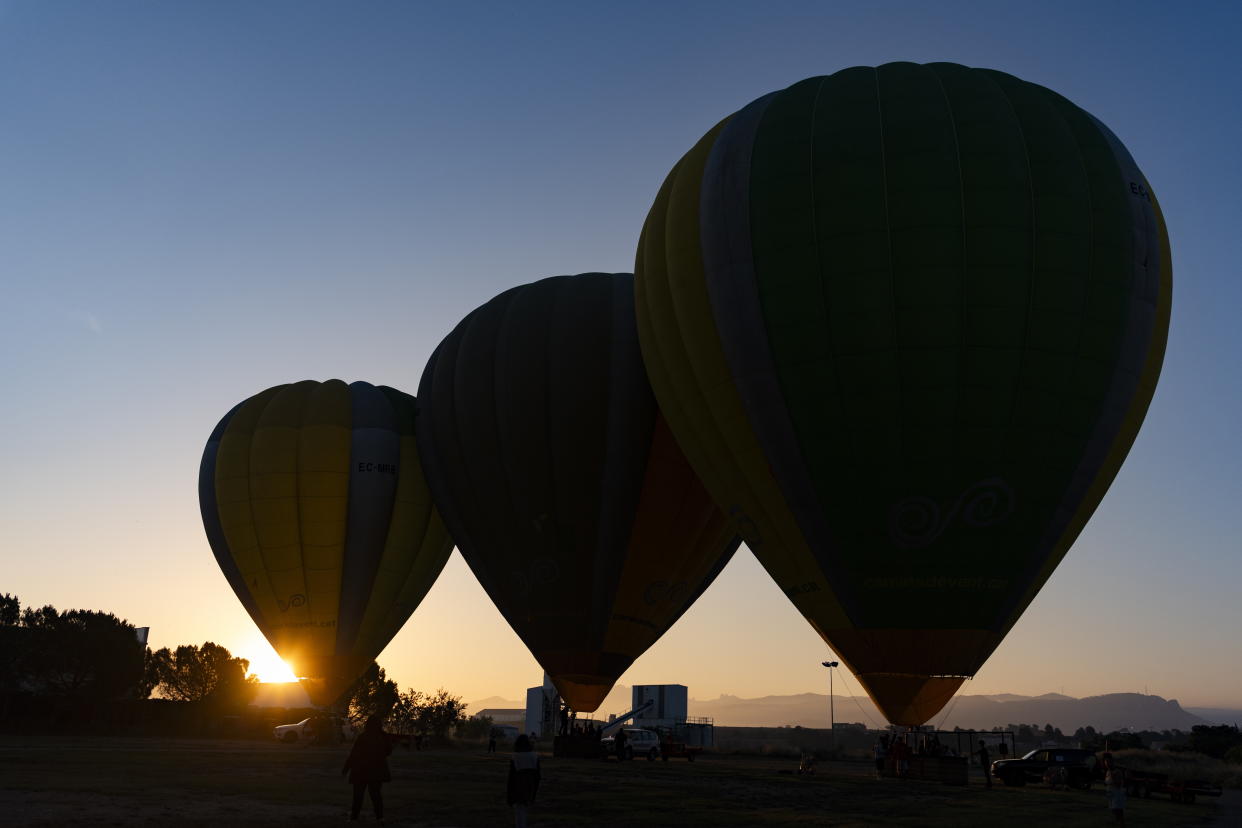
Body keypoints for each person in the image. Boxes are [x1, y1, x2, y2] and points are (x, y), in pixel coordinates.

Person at [342, 715, 393, 823]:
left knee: (358, 796)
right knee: (376, 795)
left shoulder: (363, 737)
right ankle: (380, 817)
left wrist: (346, 769)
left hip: (360, 771)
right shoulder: (384, 737)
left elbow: (353, 755)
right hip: (377, 771)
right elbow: (388, 752)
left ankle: (354, 817)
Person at [507, 734, 541, 828]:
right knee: (525, 809)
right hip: (530, 785)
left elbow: (511, 777)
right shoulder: (535, 756)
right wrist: (535, 790)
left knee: (519, 811)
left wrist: (509, 795)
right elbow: (538, 776)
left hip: (518, 785)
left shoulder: (515, 756)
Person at [1102, 752, 1126, 826]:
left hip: (1117, 795)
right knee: (1114, 812)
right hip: (1111, 795)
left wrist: (1112, 775)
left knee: (1118, 812)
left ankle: (1121, 824)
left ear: (1112, 761)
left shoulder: (1117, 771)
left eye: (1108, 762)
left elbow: (1118, 784)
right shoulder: (1108, 772)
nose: (1107, 763)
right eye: (1105, 762)